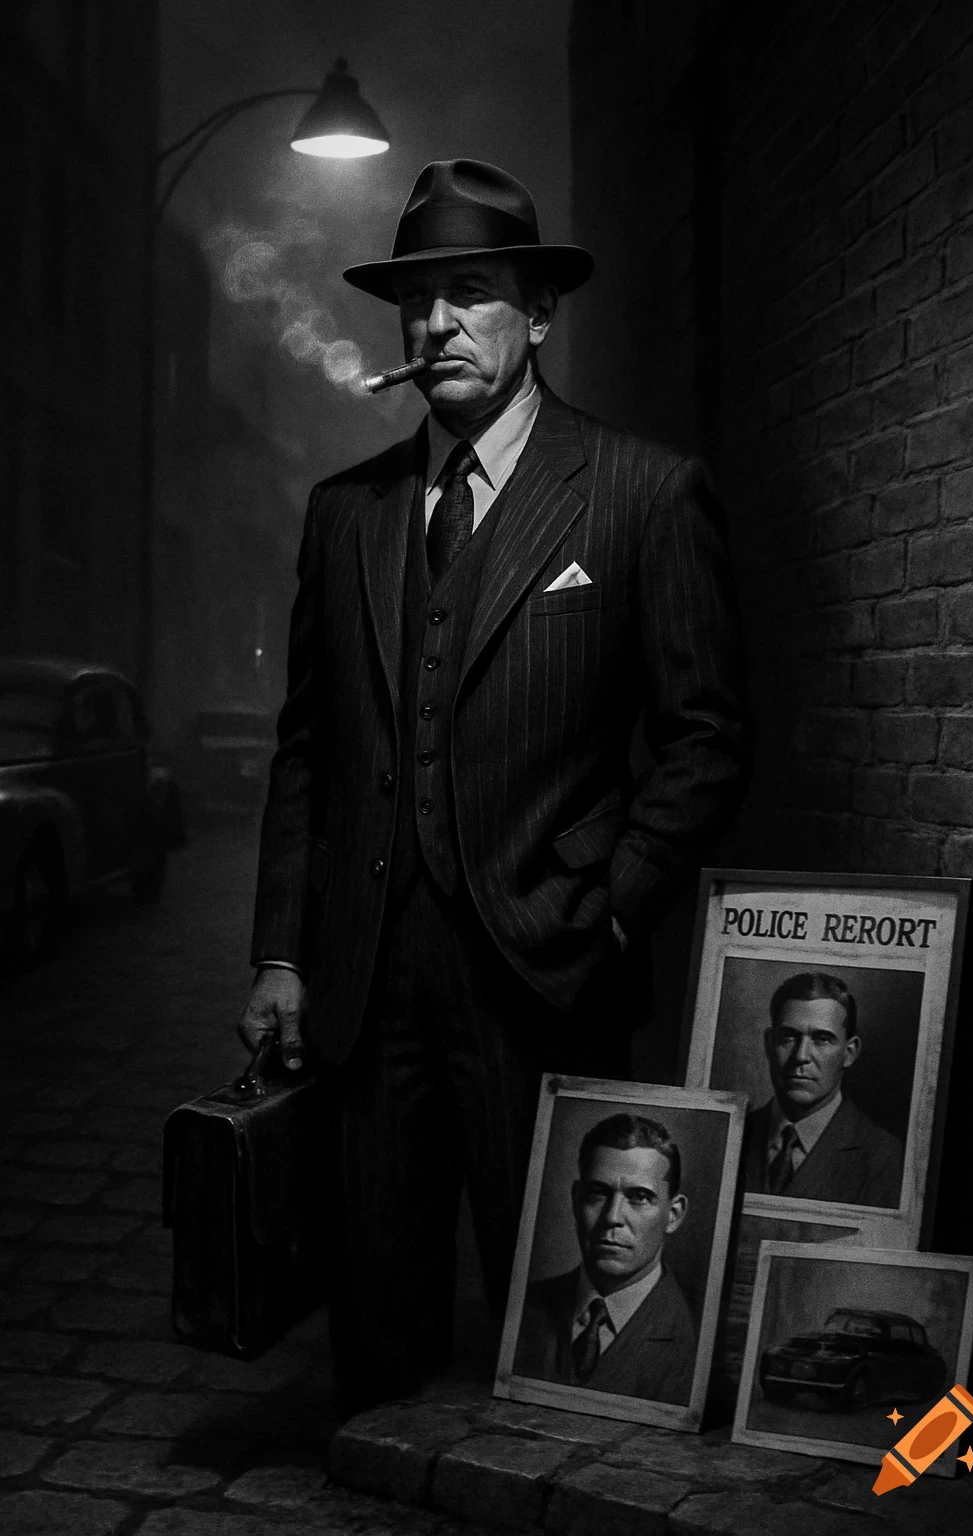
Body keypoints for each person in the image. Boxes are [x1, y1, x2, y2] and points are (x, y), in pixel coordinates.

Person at [239, 159, 748, 1413]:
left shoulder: (640, 491)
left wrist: (615, 906)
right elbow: (307, 749)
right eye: (416, 302)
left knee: (560, 1339)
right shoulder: (347, 512)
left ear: (540, 314)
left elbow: (706, 737)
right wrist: (283, 952)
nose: (436, 325)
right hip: (367, 980)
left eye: (470, 293)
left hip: (547, 971)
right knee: (377, 1336)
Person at [514, 1113, 696, 1403]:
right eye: (598, 1193)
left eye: (639, 1197)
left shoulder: (697, 1336)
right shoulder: (522, 1308)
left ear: (673, 1215)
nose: (612, 1217)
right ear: (576, 1200)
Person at [742, 972, 904, 1207]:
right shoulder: (732, 1136)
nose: (801, 1056)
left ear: (849, 1053)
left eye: (822, 1039)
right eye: (788, 1037)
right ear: (768, 1044)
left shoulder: (885, 1158)